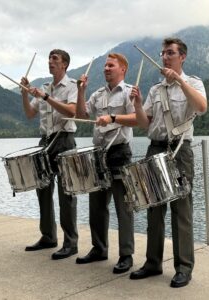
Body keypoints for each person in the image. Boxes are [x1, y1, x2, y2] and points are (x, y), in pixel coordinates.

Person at [129, 38, 207, 287]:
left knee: (181, 211)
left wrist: (180, 81)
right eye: (163, 53)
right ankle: (152, 263)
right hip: (156, 148)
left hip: (180, 150)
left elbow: (202, 107)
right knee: (154, 209)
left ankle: (184, 267)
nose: (165, 57)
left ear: (182, 56)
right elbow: (145, 123)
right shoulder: (155, 89)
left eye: (170, 53)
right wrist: (138, 105)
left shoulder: (194, 82)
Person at [75, 53, 137, 274]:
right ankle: (99, 249)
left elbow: (137, 119)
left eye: (111, 65)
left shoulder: (130, 92)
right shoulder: (98, 94)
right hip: (98, 154)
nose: (106, 69)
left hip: (120, 152)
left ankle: (126, 255)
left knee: (124, 207)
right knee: (97, 206)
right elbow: (81, 114)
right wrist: (81, 91)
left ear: (123, 69)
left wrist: (112, 119)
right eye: (105, 66)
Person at [20, 49, 78, 260]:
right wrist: (25, 94)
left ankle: (70, 243)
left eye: (55, 59)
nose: (50, 62)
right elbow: (29, 114)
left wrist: (46, 97)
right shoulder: (44, 86)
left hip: (64, 140)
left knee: (66, 194)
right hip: (44, 142)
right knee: (43, 191)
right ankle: (48, 236)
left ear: (64, 65)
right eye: (49, 59)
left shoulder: (72, 86)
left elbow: (72, 111)